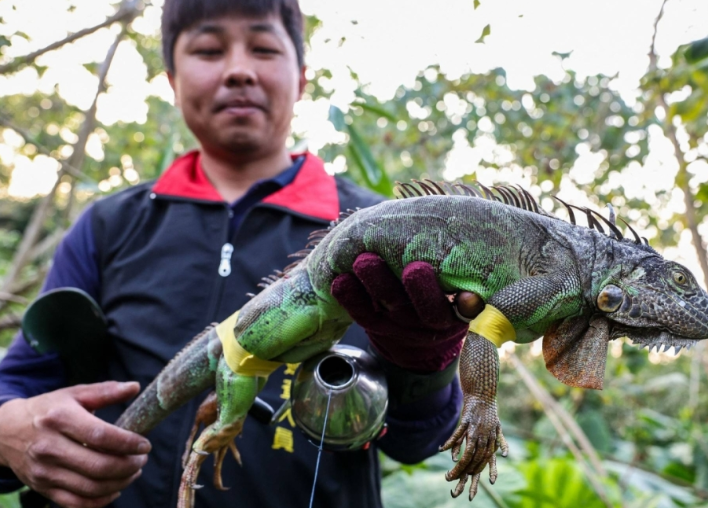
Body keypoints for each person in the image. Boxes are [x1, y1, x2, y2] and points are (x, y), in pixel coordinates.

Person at [0, 0, 468, 507]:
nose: (239, 70)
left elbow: (419, 439)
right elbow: (20, 381)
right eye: (208, 49)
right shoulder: (109, 225)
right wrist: (10, 430)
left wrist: (427, 363)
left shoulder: (379, 232)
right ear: (173, 80)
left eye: (264, 48)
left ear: (302, 79)